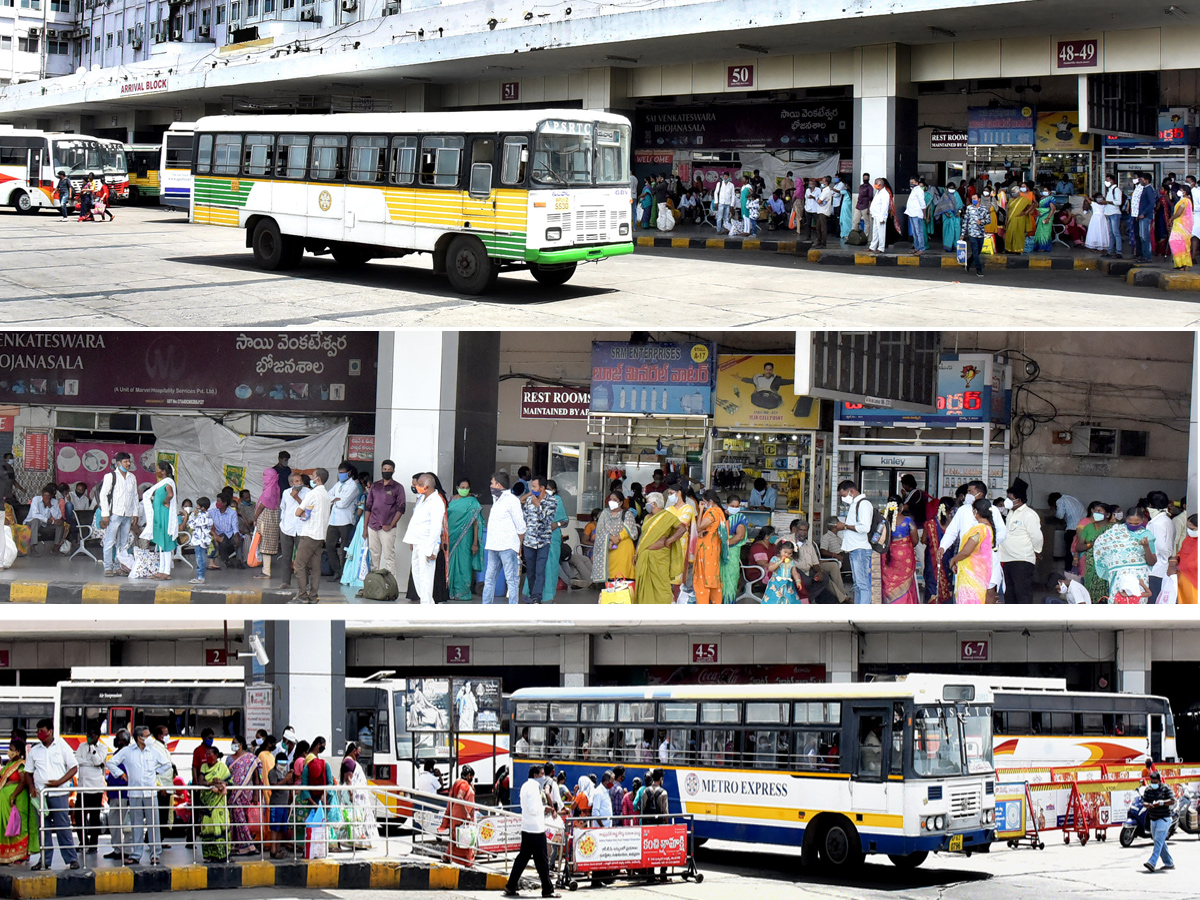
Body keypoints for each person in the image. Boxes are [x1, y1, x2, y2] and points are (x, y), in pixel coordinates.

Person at [105, 724, 170, 865]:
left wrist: (156, 772)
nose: (150, 738)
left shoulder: (153, 751)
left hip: (150, 793)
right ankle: (136, 854)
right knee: (136, 824)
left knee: (154, 824)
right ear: (139, 738)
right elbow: (111, 763)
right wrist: (121, 775)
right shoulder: (128, 751)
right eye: (147, 736)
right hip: (134, 793)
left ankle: (155, 853)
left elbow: (167, 764)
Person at [504, 764, 559, 899]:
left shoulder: (524, 786)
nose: (543, 777)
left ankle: (510, 886)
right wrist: (544, 808)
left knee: (523, 859)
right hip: (536, 829)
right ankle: (547, 889)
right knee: (542, 861)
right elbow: (534, 809)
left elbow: (525, 807)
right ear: (535, 775)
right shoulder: (534, 788)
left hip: (526, 828)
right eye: (541, 774)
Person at [633, 492, 687, 604]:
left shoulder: (667, 516)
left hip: (660, 556)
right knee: (644, 585)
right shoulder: (648, 518)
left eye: (647, 503)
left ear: (654, 504)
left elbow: (682, 529)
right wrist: (636, 553)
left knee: (662, 585)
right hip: (644, 556)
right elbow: (643, 537)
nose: (645, 505)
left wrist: (669, 541)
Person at [403, 473, 446, 605]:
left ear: (427, 486)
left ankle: (427, 605)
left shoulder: (436, 502)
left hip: (426, 544)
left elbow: (435, 528)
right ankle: (426, 602)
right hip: (416, 542)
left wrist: (432, 549)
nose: (416, 486)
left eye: (420, 485)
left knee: (426, 576)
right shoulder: (422, 498)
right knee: (417, 575)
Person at [483, 472, 525, 604]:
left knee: (511, 579)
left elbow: (521, 526)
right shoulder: (496, 499)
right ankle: (486, 605)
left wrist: (519, 545)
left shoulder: (512, 500)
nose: (490, 485)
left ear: (499, 485)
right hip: (493, 546)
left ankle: (513, 607)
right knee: (489, 578)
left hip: (507, 546)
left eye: (492, 483)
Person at [999, 479, 1043, 604]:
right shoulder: (1010, 513)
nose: (1007, 501)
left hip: (1021, 560)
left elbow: (1037, 536)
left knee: (1022, 592)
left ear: (1019, 500)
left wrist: (1037, 551)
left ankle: (1025, 620)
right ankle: (1012, 621)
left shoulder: (1029, 514)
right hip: (1007, 559)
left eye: (1010, 498)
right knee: (1010, 593)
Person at [293, 467, 332, 603]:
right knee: (315, 568)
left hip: (309, 534)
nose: (310, 478)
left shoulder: (312, 494)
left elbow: (298, 512)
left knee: (299, 565)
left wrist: (303, 514)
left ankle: (302, 596)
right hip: (321, 535)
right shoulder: (326, 495)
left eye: (312, 476)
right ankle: (313, 596)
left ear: (318, 479)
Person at [832, 480, 873, 604]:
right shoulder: (855, 504)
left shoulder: (864, 504)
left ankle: (864, 613)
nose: (843, 498)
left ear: (851, 491)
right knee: (858, 584)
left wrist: (845, 526)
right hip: (855, 549)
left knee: (862, 583)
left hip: (860, 548)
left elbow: (865, 528)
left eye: (843, 495)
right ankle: (858, 610)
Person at [949, 499, 996, 605]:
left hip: (972, 574)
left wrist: (953, 560)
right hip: (981, 573)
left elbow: (966, 552)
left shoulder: (979, 529)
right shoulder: (988, 528)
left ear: (976, 511)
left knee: (970, 602)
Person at [0, 733, 38, 864]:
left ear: (18, 752)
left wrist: (13, 795)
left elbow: (22, 781)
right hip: (6, 802)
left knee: (19, 826)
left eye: (11, 749)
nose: (9, 751)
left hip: (18, 800)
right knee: (7, 827)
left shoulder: (21, 764)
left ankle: (21, 855)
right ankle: (8, 854)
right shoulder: (9, 764)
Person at [364, 460, 405, 576]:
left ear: (393, 471)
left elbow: (401, 508)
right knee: (374, 555)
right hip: (373, 525)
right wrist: (365, 528)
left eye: (389, 470)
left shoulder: (398, 487)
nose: (386, 471)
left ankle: (391, 584)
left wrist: (391, 525)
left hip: (387, 527)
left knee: (388, 556)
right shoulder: (375, 486)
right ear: (381, 470)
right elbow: (368, 507)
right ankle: (374, 582)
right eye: (384, 469)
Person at [137, 461, 177, 581]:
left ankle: (166, 571)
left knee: (166, 543)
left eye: (158, 469)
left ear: (163, 471)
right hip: (159, 515)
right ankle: (161, 570)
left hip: (164, 515)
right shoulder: (162, 483)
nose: (156, 471)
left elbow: (170, 494)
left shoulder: (168, 482)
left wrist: (165, 502)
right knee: (161, 543)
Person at [445, 478, 484, 601]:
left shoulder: (473, 502)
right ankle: (449, 591)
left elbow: (476, 524)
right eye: (462, 487)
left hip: (466, 539)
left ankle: (462, 593)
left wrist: (475, 543)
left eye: (467, 487)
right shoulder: (450, 500)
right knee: (449, 565)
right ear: (457, 488)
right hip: (450, 538)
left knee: (464, 565)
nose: (465, 490)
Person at [520, 477, 557, 602]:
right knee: (530, 571)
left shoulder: (552, 501)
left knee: (540, 570)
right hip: (529, 541)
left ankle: (537, 597)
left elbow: (547, 521)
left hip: (543, 542)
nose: (532, 489)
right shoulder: (530, 501)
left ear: (542, 488)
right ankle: (532, 595)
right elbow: (524, 520)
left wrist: (538, 506)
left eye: (534, 487)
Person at [590, 491, 638, 584]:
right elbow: (600, 530)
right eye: (610, 499)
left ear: (620, 502)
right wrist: (611, 538)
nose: (611, 501)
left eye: (615, 500)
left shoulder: (627, 514)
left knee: (623, 577)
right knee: (611, 578)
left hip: (624, 549)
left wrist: (618, 538)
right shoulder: (605, 513)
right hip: (608, 548)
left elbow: (629, 529)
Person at [535, 479, 571, 603]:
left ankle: (548, 597)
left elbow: (565, 521)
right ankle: (534, 595)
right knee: (537, 567)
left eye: (549, 489)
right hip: (538, 538)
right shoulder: (536, 501)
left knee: (551, 567)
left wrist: (557, 524)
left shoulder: (557, 501)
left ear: (554, 490)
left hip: (552, 538)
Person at [74, 726, 108, 855]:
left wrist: (93, 750)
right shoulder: (82, 746)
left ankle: (93, 844)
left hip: (95, 787)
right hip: (82, 787)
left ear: (97, 736)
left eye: (92, 735)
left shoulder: (102, 748)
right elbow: (77, 760)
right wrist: (91, 763)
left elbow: (98, 760)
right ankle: (83, 842)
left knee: (94, 817)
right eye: (88, 734)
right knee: (79, 815)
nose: (89, 737)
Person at [195, 744, 231, 862]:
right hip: (206, 803)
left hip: (218, 803)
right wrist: (211, 784)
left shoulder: (222, 767)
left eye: (210, 754)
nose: (208, 757)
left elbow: (230, 783)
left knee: (219, 828)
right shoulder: (204, 766)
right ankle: (209, 855)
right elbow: (201, 781)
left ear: (216, 755)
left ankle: (222, 855)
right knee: (207, 829)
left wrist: (219, 783)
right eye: (206, 755)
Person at [324, 461, 360, 579]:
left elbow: (343, 504)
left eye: (343, 473)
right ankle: (337, 571)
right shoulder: (338, 484)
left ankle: (345, 573)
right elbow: (327, 496)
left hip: (346, 521)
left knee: (345, 548)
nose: (341, 475)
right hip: (333, 520)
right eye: (339, 473)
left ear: (349, 473)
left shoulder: (353, 486)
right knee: (329, 545)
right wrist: (336, 498)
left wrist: (334, 500)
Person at [880, 496, 919, 604]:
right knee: (906, 582)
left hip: (888, 555)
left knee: (889, 581)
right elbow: (915, 541)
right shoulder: (908, 521)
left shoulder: (884, 522)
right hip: (905, 556)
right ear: (901, 507)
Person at [692, 491, 727, 604]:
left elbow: (699, 527)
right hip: (713, 548)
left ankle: (703, 605)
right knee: (713, 578)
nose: (704, 504)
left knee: (702, 578)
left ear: (710, 502)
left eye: (705, 502)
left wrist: (701, 510)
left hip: (706, 549)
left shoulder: (712, 512)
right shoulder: (720, 512)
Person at [439, 765, 477, 867]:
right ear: (469, 776)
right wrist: (466, 814)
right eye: (472, 777)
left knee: (456, 837)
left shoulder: (457, 782)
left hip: (456, 812)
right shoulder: (464, 784)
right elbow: (460, 797)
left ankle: (448, 856)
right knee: (467, 836)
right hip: (461, 814)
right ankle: (469, 861)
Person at [1076, 501, 1114, 603]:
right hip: (1090, 567)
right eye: (1095, 511)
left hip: (1107, 567)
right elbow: (1078, 547)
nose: (1095, 513)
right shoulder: (1088, 527)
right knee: (1089, 594)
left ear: (1108, 514)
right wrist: (1091, 544)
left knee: (1106, 594)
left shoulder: (1113, 529)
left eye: (1099, 511)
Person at [276, 474, 308, 590]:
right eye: (296, 481)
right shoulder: (285, 493)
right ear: (291, 484)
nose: (299, 483)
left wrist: (297, 498)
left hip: (301, 529)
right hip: (287, 528)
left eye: (300, 481)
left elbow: (307, 510)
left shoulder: (307, 492)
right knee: (286, 556)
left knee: (302, 558)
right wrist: (282, 523)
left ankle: (303, 583)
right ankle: (285, 582)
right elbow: (283, 508)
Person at [1142, 770, 1176, 872]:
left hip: (1163, 819)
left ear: (1160, 781)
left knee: (1158, 841)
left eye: (1155, 782)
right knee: (1160, 841)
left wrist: (1160, 803)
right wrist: (1148, 805)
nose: (1153, 784)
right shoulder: (1148, 790)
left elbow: (1172, 800)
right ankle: (1169, 863)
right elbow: (1144, 802)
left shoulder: (1165, 789)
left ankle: (1152, 862)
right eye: (1152, 782)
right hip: (1153, 819)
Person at [721, 496, 748, 602]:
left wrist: (724, 544)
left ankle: (728, 604)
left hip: (732, 552)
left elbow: (740, 536)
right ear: (726, 505)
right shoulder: (721, 515)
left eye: (737, 506)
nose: (735, 508)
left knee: (730, 579)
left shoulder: (740, 518)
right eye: (732, 506)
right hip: (719, 552)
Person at [24, 487, 64, 555]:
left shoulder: (54, 502)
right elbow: (34, 515)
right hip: (30, 523)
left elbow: (58, 516)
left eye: (49, 496)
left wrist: (50, 506)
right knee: (36, 520)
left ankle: (56, 547)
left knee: (60, 525)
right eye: (45, 495)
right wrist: (49, 520)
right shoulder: (36, 499)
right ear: (42, 494)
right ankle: (33, 546)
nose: (47, 497)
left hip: (44, 525)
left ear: (51, 496)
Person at [1048, 492, 1086, 562]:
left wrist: (1054, 513)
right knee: (1079, 552)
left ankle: (1068, 570)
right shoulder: (1071, 498)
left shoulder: (1060, 501)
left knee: (1070, 552)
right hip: (1084, 529)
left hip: (1073, 529)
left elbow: (1060, 515)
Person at [963, 190, 992, 277]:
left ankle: (968, 262)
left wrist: (982, 222)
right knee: (975, 251)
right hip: (972, 234)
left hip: (981, 233)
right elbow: (965, 221)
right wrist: (962, 234)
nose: (973, 200)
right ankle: (978, 269)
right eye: (972, 199)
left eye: (975, 199)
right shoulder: (969, 208)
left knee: (978, 252)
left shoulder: (984, 209)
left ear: (979, 199)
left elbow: (989, 220)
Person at [1168, 185, 1193, 270]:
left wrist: (1171, 219)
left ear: (1184, 192)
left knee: (1175, 242)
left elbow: (1179, 213)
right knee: (1183, 244)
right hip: (1183, 225)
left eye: (1180, 190)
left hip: (1181, 225)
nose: (1179, 191)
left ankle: (1181, 264)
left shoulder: (1184, 201)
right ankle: (1184, 264)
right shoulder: (1186, 200)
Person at [1004, 185, 1033, 254]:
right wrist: (1006, 219)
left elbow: (1032, 205)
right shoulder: (1010, 200)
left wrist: (1026, 212)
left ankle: (1018, 250)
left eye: (1014, 192)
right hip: (1011, 219)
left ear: (1018, 192)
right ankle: (1009, 249)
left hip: (1019, 219)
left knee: (1018, 235)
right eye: (1012, 192)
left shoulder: (1024, 200)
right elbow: (1008, 210)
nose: (1013, 193)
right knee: (1009, 234)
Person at [868, 177, 892, 253]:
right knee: (875, 232)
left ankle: (881, 248)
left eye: (875, 183)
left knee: (881, 233)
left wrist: (882, 218)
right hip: (875, 215)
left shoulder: (885, 194)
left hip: (880, 216)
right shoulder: (878, 192)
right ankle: (872, 247)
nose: (874, 185)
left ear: (880, 184)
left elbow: (885, 207)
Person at [905, 177, 928, 253]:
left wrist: (924, 214)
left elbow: (923, 204)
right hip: (911, 213)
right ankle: (916, 247)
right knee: (914, 232)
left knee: (919, 232)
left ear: (917, 183)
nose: (911, 183)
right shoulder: (913, 190)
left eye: (912, 182)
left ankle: (921, 248)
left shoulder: (919, 190)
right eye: (910, 182)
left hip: (917, 214)